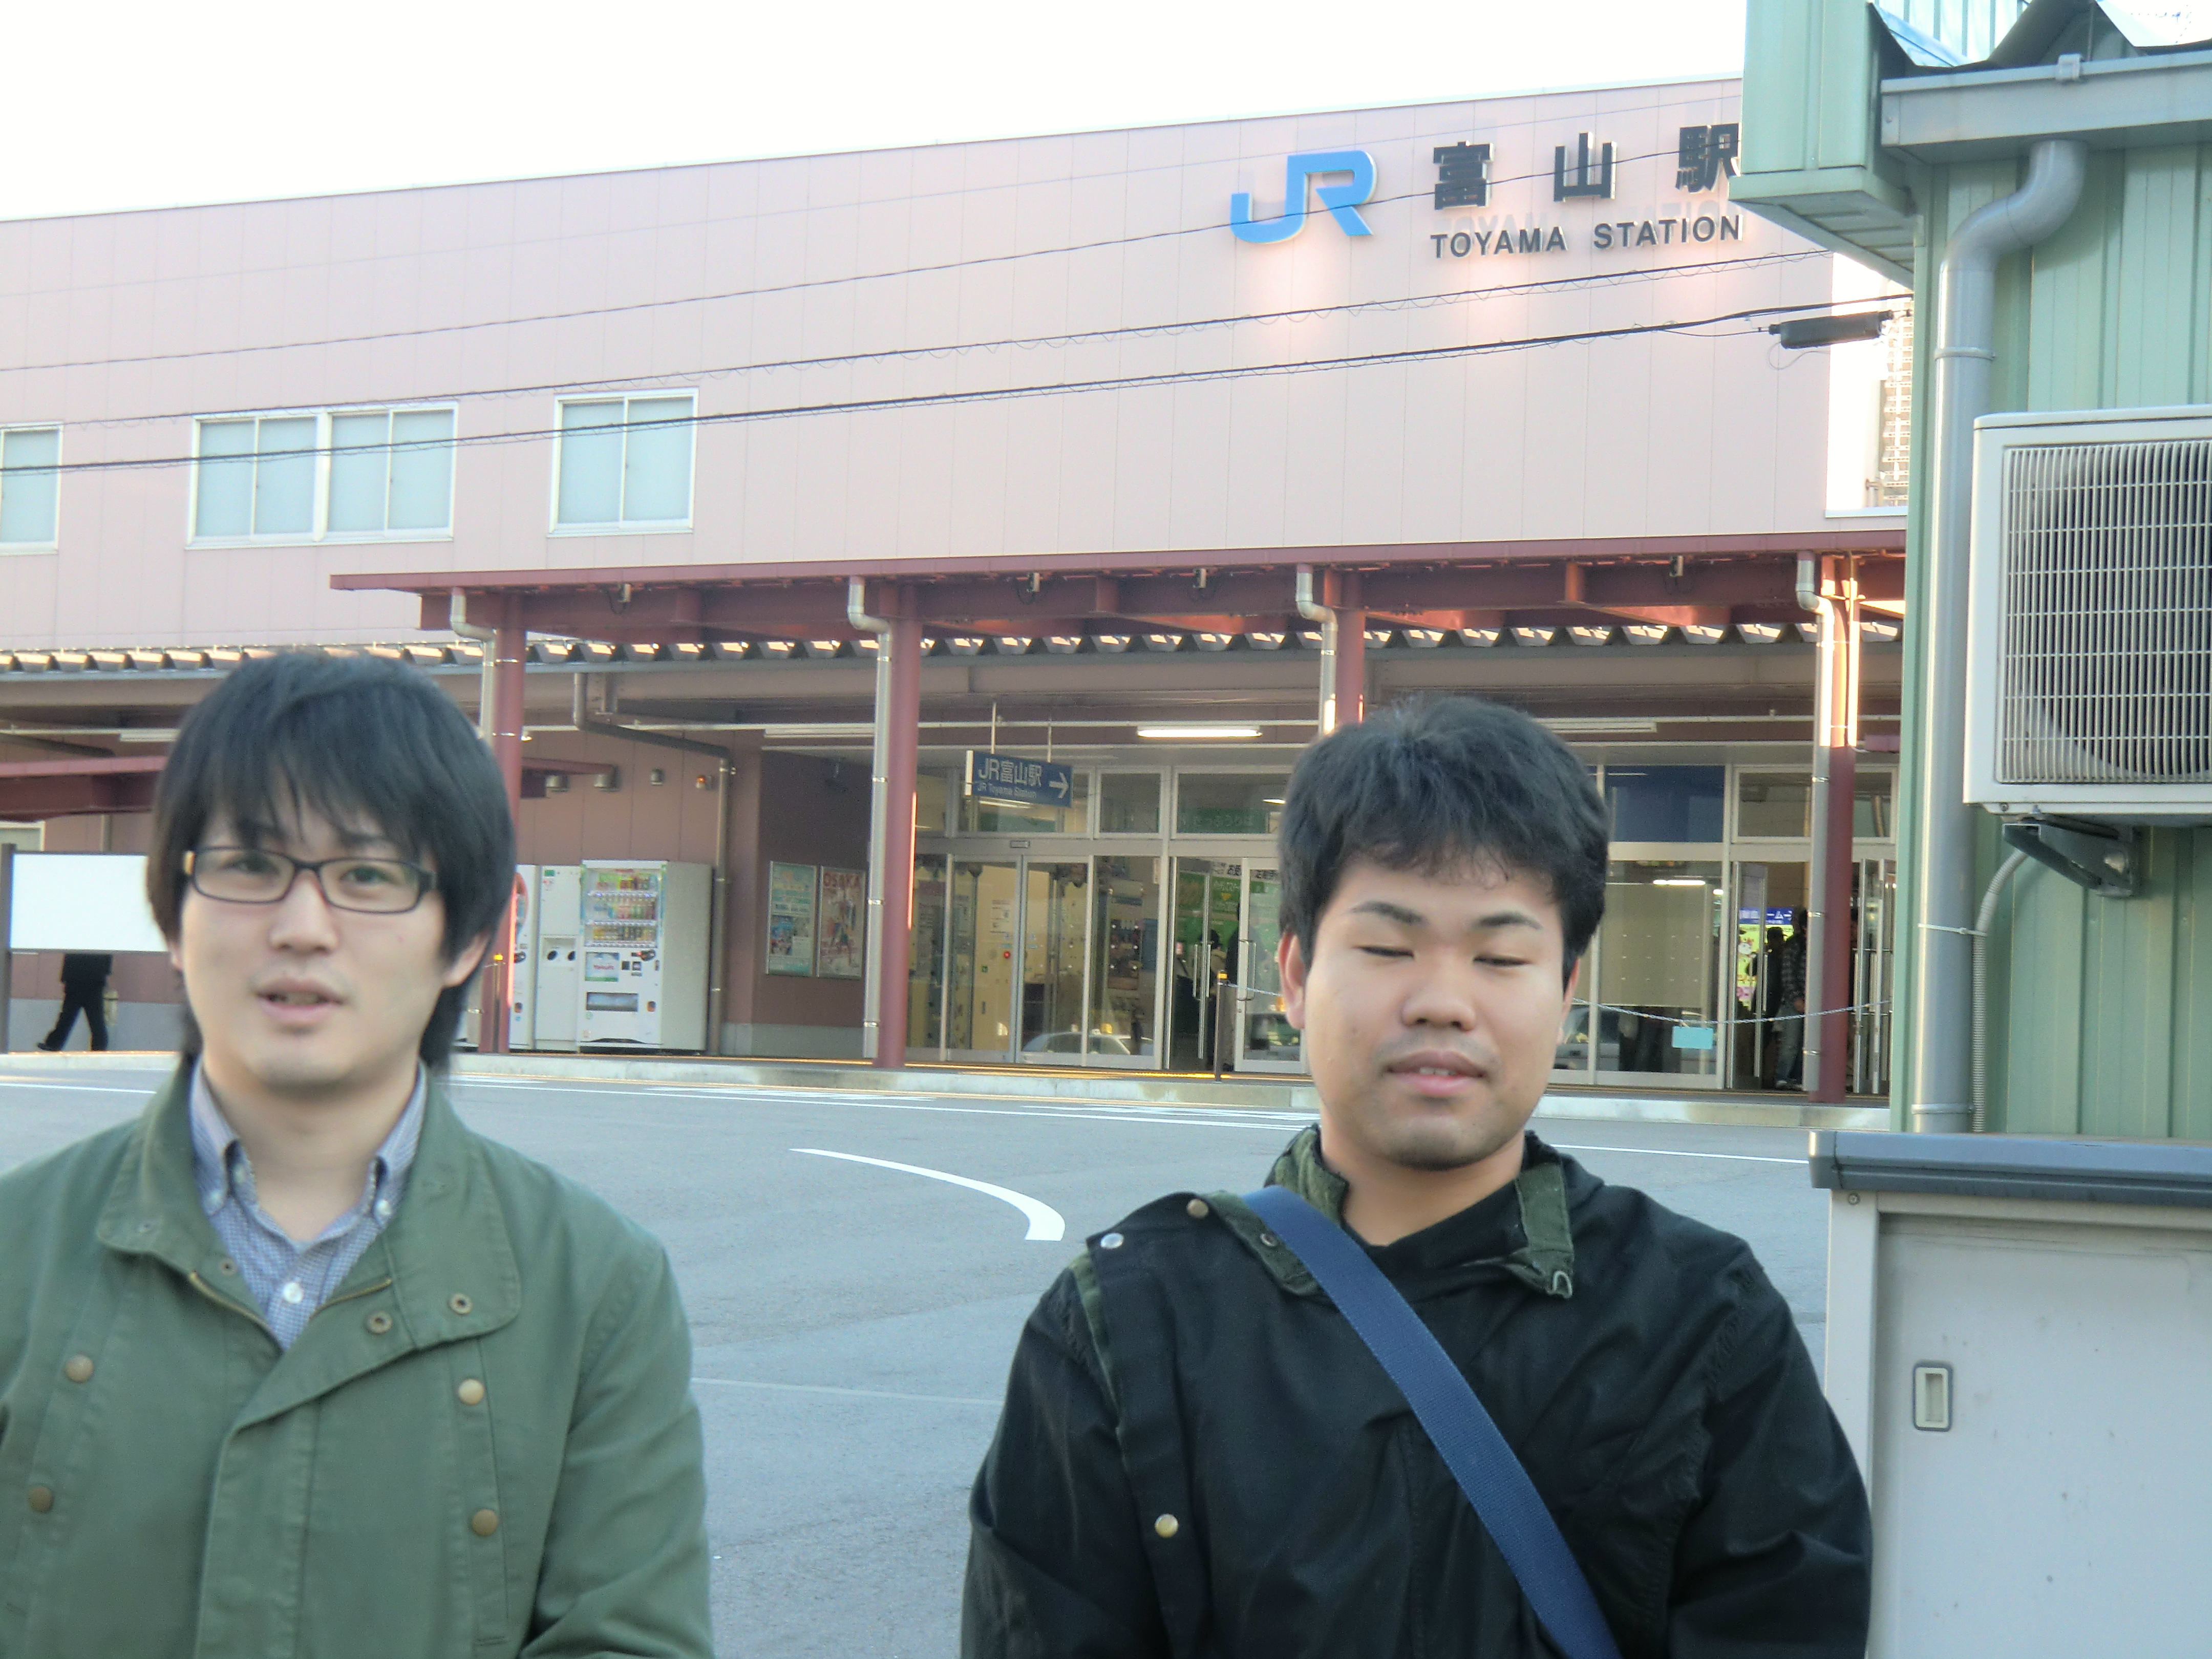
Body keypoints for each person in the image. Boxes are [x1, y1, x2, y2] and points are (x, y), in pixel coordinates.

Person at [963, 696, 1869, 1657]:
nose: (1442, 1002)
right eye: (1388, 948)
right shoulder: (1128, 1324)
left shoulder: (1703, 1322)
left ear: (1566, 992)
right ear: (1294, 976)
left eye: (1501, 956)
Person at [0, 653, 712, 1658]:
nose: (303, 928)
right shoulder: (18, 1249)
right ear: (172, 915)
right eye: (250, 866)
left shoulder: (596, 1286)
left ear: (466, 938)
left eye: (369, 875)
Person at [36, 952, 112, 1051]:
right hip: (91, 979)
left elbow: (70, 956)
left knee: (70, 1016)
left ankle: (54, 1044)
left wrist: (66, 977)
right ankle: (99, 1048)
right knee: (93, 1019)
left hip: (79, 979)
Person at [1775, 907, 1810, 1090]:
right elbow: (1788, 975)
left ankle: (1800, 1078)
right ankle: (1783, 1077)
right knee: (1791, 1042)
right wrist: (1797, 998)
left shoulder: (1822, 945)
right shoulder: (1795, 946)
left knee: (1807, 1043)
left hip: (1814, 1003)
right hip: (1794, 1002)